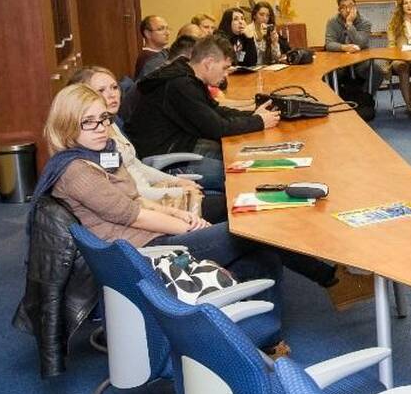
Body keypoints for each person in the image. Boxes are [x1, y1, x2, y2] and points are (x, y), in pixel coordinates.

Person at [39, 84, 357, 314]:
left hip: (151, 234)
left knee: (264, 258)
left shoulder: (100, 153)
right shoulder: (76, 170)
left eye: (105, 119)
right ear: (66, 126)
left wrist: (181, 215)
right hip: (145, 252)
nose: (101, 128)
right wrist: (188, 227)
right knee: (254, 229)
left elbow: (136, 199)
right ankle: (327, 279)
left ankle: (266, 338)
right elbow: (132, 215)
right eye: (89, 122)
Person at [125, 35, 281, 191]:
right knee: (238, 173)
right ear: (209, 63)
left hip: (180, 143)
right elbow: (217, 128)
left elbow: (215, 110)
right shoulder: (180, 84)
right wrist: (259, 121)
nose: (226, 74)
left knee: (243, 154)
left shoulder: (188, 76)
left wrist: (253, 115)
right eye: (224, 68)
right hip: (164, 158)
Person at [69, 66, 216, 220]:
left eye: (114, 87)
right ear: (83, 96)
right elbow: (127, 192)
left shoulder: (111, 123)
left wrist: (177, 182)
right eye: (101, 90)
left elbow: (135, 165)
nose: (112, 94)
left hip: (154, 195)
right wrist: (178, 191)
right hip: (148, 208)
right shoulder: (95, 140)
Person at [324, 0, 380, 100]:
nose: (348, 10)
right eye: (344, 7)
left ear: (355, 6)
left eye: (351, 6)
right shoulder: (332, 22)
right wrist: (344, 47)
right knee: (329, 73)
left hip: (360, 61)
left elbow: (361, 43)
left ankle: (364, 98)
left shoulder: (365, 22)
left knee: (377, 71)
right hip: (339, 61)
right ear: (339, 10)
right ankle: (339, 100)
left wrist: (349, 24)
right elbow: (329, 44)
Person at [251, 1, 290, 65]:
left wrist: (275, 43)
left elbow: (276, 58)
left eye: (267, 16)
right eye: (261, 14)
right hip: (251, 68)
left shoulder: (269, 31)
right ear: (254, 15)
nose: (265, 18)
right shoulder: (248, 31)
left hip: (266, 68)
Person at [134, 15, 170, 80]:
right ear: (147, 34)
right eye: (161, 29)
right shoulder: (148, 58)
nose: (167, 33)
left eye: (167, 28)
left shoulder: (166, 52)